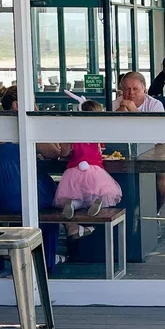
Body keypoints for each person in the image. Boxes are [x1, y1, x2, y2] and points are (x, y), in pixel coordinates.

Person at [0, 85, 63, 270]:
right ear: (17, 106)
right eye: (33, 103)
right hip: (19, 197)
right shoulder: (25, 125)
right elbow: (54, 152)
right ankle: (47, 261)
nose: (36, 108)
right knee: (54, 202)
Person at [53, 100, 123, 239]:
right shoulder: (97, 134)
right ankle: (96, 202)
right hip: (95, 171)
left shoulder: (72, 134)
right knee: (94, 194)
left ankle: (72, 204)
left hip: (74, 171)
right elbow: (100, 150)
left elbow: (64, 153)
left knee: (76, 196)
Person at [112, 70, 165, 209]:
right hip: (122, 154)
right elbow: (111, 132)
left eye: (135, 89)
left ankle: (153, 213)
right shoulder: (115, 105)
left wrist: (134, 111)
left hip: (152, 152)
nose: (130, 93)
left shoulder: (155, 105)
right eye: (126, 89)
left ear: (144, 89)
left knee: (164, 181)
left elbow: (158, 134)